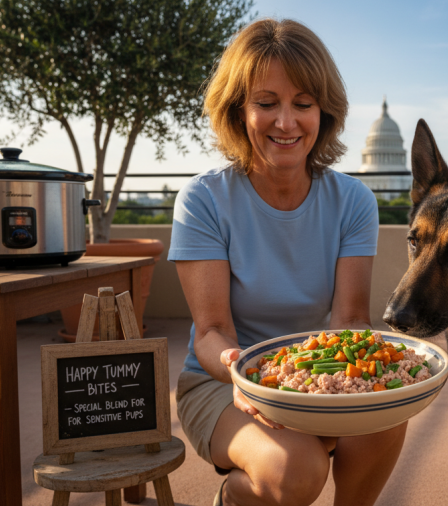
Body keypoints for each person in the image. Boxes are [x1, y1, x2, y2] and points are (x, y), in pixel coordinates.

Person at [169, 18, 408, 506]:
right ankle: (234, 499)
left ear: (324, 112)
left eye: (303, 104)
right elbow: (212, 331)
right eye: (266, 103)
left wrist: (369, 377)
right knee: (298, 468)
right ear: (238, 110)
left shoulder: (354, 201)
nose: (285, 122)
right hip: (222, 382)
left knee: (388, 412)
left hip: (315, 379)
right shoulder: (203, 200)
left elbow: (349, 321)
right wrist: (244, 374)